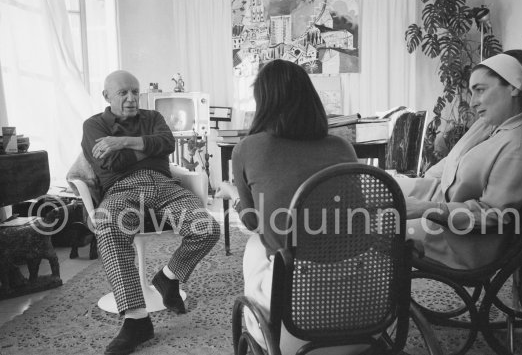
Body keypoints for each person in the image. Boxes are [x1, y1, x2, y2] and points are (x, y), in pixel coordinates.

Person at [217, 59, 360, 354]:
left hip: (294, 328)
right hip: (364, 314)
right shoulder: (343, 147)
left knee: (257, 245)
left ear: (264, 102)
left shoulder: (248, 148)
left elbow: (253, 223)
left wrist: (232, 193)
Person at [81, 70, 220, 355]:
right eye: (123, 93)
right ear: (106, 96)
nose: (131, 98)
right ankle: (136, 320)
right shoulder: (93, 125)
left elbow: (168, 144)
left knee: (206, 227)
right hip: (122, 188)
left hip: (165, 184)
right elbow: (113, 165)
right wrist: (150, 148)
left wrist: (122, 142)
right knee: (108, 225)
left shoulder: (153, 118)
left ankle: (168, 276)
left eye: (135, 91)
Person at [400, 49, 522, 269]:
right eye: (472, 92)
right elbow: (450, 163)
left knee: (366, 221)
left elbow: (493, 215)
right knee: (367, 191)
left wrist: (424, 208)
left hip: (459, 241)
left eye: (480, 90)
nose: (472, 102)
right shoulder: (492, 124)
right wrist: (409, 185)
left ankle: (356, 291)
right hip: (440, 209)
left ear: (515, 87)